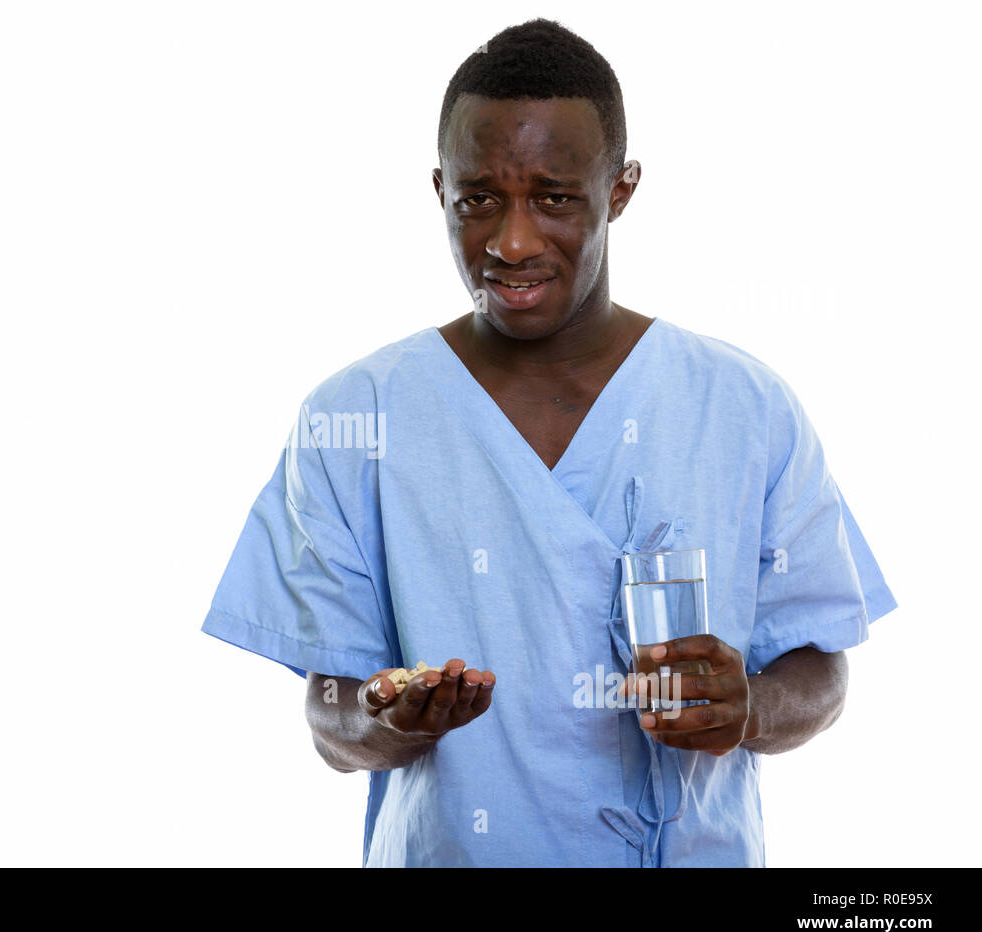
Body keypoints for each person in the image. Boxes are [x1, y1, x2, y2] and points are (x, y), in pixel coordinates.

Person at [201, 18, 896, 867]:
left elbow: (821, 676)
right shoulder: (357, 417)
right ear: (440, 190)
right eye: (479, 198)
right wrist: (383, 719)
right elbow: (331, 715)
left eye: (555, 198)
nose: (512, 241)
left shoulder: (744, 407)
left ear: (621, 190)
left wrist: (745, 705)